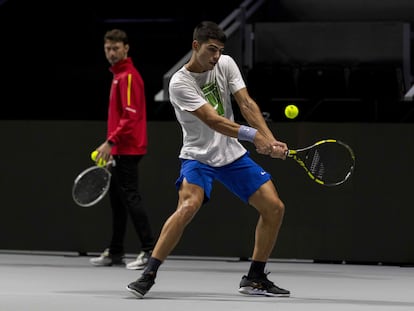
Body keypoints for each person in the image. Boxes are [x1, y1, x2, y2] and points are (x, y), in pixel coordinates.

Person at [127, 21, 290, 298]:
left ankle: (255, 277)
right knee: (188, 206)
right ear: (196, 46)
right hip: (198, 157)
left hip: (231, 154)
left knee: (274, 207)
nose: (216, 56)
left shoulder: (225, 64)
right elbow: (213, 120)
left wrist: (270, 139)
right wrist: (254, 136)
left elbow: (247, 104)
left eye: (219, 50)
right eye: (211, 49)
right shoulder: (180, 83)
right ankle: (149, 273)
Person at [90, 29, 155, 270]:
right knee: (117, 201)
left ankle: (149, 250)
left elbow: (130, 117)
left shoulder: (127, 76)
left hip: (127, 148)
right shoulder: (118, 75)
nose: (111, 52)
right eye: (108, 48)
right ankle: (116, 251)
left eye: (116, 48)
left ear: (126, 48)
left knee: (130, 197)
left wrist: (111, 142)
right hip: (119, 148)